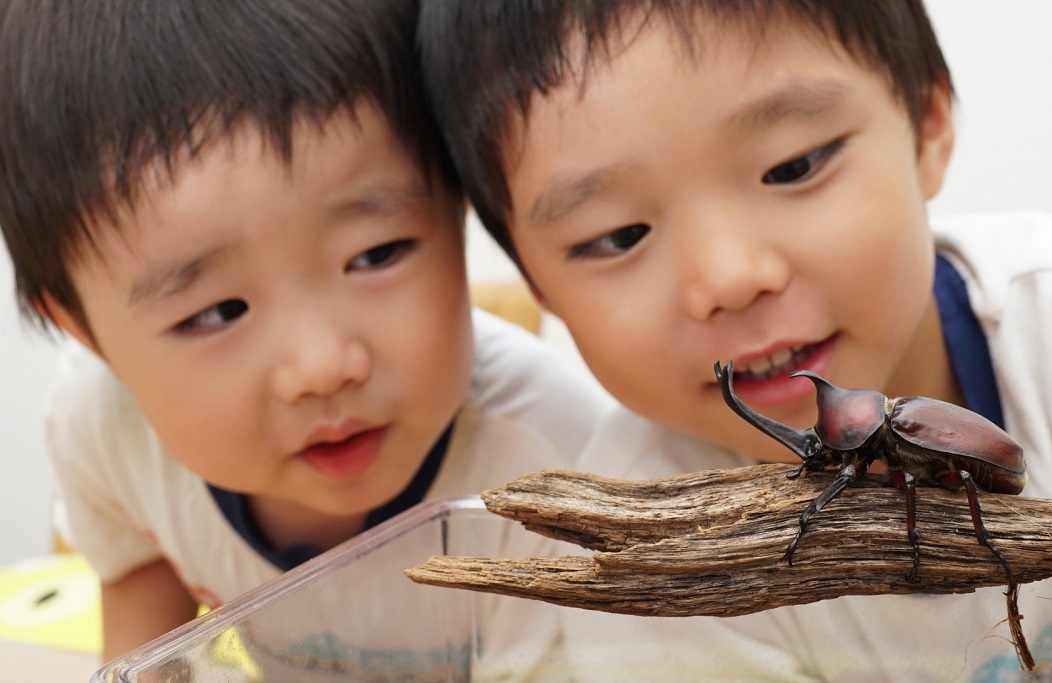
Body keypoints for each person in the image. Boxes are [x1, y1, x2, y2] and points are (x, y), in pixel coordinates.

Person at [418, 0, 1052, 679]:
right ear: (537, 289)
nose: (729, 276)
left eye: (794, 165)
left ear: (927, 124)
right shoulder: (634, 552)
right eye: (619, 234)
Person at [0, 0, 609, 666]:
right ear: (84, 331)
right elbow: (137, 578)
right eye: (216, 311)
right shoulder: (104, 424)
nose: (323, 366)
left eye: (376, 254)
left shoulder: (556, 483)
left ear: (463, 198)